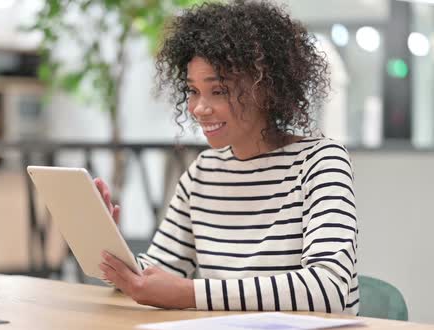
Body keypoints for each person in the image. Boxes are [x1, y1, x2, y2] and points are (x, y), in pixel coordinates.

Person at [95, 0, 358, 314]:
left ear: (266, 89)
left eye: (218, 91)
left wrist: (190, 294)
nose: (199, 108)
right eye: (192, 90)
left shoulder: (321, 163)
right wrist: (109, 246)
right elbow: (156, 274)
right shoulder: (203, 173)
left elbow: (328, 289)